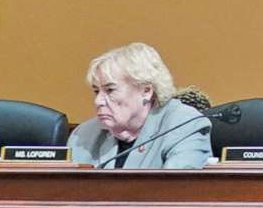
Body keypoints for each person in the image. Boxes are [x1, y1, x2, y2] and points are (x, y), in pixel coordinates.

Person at [67, 43, 213, 169]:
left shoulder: (185, 126)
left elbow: (176, 191)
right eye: (96, 91)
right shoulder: (84, 135)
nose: (98, 101)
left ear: (146, 91)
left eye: (110, 90)